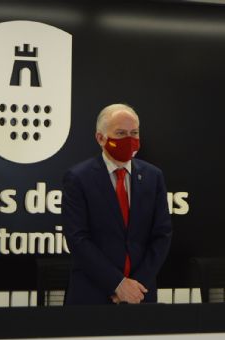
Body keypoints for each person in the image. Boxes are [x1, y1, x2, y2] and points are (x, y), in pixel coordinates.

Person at [62, 103, 172, 305]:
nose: (129, 140)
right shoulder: (78, 178)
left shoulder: (153, 176)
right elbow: (78, 238)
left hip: (141, 295)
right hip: (92, 297)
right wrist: (118, 284)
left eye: (134, 133)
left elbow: (162, 235)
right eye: (120, 133)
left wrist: (134, 286)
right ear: (101, 138)